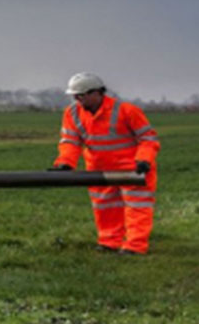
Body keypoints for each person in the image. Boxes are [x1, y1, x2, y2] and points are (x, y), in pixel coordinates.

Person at [50, 72, 160, 255]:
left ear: (97, 93)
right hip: (98, 169)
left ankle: (135, 246)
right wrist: (65, 163)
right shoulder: (72, 113)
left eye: (81, 95)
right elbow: (70, 141)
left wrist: (144, 160)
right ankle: (109, 242)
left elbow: (148, 139)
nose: (77, 99)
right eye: (74, 95)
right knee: (105, 207)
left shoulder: (127, 110)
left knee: (137, 208)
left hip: (133, 169)